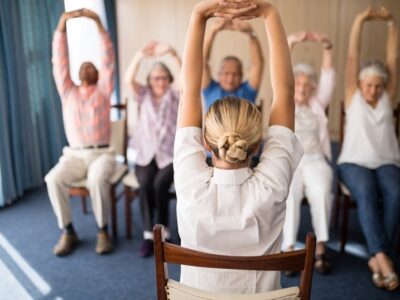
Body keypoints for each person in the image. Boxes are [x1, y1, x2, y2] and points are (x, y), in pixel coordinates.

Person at [174, 0, 303, 293]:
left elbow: (187, 91)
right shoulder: (272, 186)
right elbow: (286, 93)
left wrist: (199, 14)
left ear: (206, 142)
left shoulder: (189, 184)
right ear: (258, 144)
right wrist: (270, 13)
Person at [337, 6, 400, 291]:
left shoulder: (389, 97)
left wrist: (391, 24)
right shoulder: (353, 96)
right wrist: (361, 20)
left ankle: (377, 255)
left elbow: (393, 58)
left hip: (387, 160)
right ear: (360, 84)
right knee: (366, 191)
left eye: (377, 85)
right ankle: (384, 259)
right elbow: (352, 57)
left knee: (396, 191)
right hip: (353, 161)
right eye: (368, 85)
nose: (373, 90)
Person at [45, 9, 116, 256]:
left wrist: (97, 22)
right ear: (76, 74)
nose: (87, 66)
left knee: (97, 179)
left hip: (102, 154)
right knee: (52, 179)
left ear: (98, 75)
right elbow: (59, 60)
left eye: (91, 66)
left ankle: (102, 230)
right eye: (83, 65)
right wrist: (61, 26)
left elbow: (107, 58)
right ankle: (68, 231)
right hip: (73, 156)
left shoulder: (104, 91)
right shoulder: (68, 92)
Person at [282, 31, 335, 275]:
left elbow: (328, 77)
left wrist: (326, 47)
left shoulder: (317, 103)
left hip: (315, 159)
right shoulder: (285, 101)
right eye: (298, 83)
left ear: (312, 87)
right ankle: (289, 249)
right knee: (290, 193)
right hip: (291, 161)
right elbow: (282, 74)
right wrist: (290, 43)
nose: (302, 88)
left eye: (306, 84)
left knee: (322, 191)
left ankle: (321, 249)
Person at [124, 41, 180, 257]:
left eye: (164, 77)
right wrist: (140, 55)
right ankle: (149, 235)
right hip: (145, 153)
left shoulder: (175, 94)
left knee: (159, 184)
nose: (160, 81)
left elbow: (188, 78)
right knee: (145, 182)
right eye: (156, 78)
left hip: (169, 154)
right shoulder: (143, 94)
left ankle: (164, 231)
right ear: (149, 80)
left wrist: (173, 54)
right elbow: (129, 79)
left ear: (169, 80)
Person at [202, 16, 264, 111]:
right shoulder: (210, 89)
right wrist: (212, 32)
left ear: (242, 76)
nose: (230, 78)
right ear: (219, 74)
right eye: (226, 73)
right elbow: (202, 62)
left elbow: (258, 64)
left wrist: (250, 33)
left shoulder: (247, 90)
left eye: (235, 74)